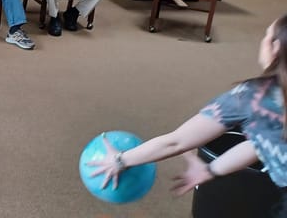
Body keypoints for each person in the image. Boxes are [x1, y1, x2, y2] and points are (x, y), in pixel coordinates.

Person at [89, 13, 287, 217]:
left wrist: (120, 160)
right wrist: (210, 170)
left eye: (267, 35)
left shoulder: (254, 97)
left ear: (276, 47)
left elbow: (175, 142)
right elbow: (262, 142)